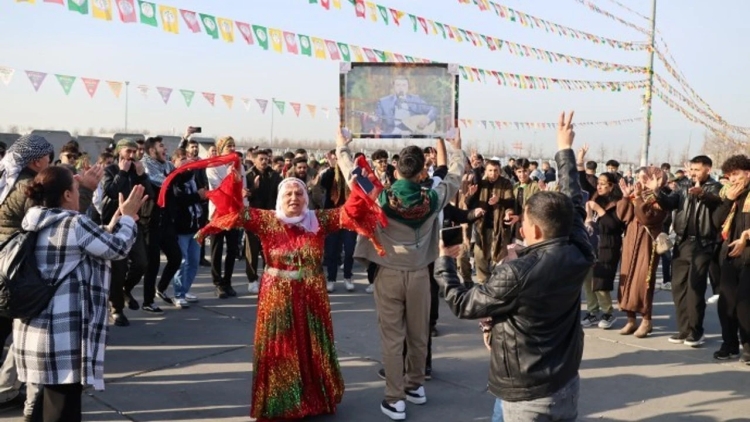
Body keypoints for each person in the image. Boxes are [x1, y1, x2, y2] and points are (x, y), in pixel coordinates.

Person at [166, 131, 386, 421]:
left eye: (299, 193)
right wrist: (231, 170)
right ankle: (282, 402)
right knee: (281, 348)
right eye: (288, 194)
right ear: (280, 199)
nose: (294, 198)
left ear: (306, 198)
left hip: (311, 295)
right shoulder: (266, 220)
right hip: (277, 294)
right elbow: (234, 210)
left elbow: (352, 210)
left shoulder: (319, 221)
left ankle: (314, 398)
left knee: (311, 346)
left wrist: (349, 162)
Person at [434, 111, 594, 422]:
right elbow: (574, 203)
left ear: (533, 230)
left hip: (525, 391)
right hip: (564, 380)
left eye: (525, 223)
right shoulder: (580, 251)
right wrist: (565, 151)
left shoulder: (516, 272)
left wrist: (445, 262)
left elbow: (464, 303)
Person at [337, 129, 463, 420]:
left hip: (388, 273)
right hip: (420, 274)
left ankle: (395, 399)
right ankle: (415, 386)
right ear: (422, 173)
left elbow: (351, 174)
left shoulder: (378, 195)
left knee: (393, 338)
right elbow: (455, 175)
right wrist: (456, 149)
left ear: (396, 168)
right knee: (419, 333)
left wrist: (342, 146)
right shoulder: (434, 197)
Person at [14, 166, 146, 421]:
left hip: (36, 329)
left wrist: (117, 221)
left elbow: (93, 244)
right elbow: (117, 248)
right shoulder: (72, 224)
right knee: (63, 408)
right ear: (66, 195)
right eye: (76, 189)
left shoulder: (33, 219)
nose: (79, 194)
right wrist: (129, 218)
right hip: (63, 334)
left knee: (46, 401)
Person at [657, 155, 722, 347]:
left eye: (697, 169)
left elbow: (716, 203)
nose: (693, 173)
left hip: (703, 244)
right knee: (678, 287)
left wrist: (701, 193)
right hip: (682, 242)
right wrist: (657, 191)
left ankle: (696, 331)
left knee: (695, 288)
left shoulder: (715, 188)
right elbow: (669, 203)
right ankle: (683, 329)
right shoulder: (683, 185)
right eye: (691, 169)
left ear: (708, 170)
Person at [617, 169, 669, 338]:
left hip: (647, 243)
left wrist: (638, 198)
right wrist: (626, 197)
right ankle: (630, 319)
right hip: (630, 241)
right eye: (638, 178)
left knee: (642, 281)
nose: (640, 182)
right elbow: (623, 216)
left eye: (644, 178)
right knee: (627, 281)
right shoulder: (637, 194)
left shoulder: (661, 197)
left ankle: (646, 320)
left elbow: (647, 218)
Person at [712, 155, 750, 363]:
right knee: (725, 303)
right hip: (730, 255)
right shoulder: (730, 195)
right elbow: (716, 221)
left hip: (748, 256)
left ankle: (748, 347)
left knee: (745, 304)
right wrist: (727, 201)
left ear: (747, 173)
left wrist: (746, 237)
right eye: (729, 175)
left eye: (735, 174)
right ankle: (729, 344)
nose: (732, 179)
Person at [372, 77, 437, 135]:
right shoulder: (383, 102)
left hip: (413, 133)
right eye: (398, 85)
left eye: (404, 85)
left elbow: (433, 109)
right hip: (393, 134)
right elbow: (377, 120)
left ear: (408, 87)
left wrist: (427, 119)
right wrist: (373, 119)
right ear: (393, 86)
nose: (401, 88)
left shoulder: (415, 100)